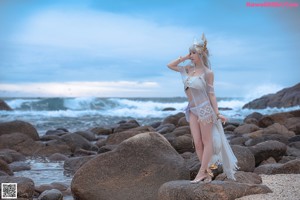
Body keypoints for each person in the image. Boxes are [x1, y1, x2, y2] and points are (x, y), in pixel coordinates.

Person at [167, 33, 238, 183]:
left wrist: (217, 113)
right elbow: (170, 65)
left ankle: (202, 172)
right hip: (192, 110)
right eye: (190, 52)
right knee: (197, 143)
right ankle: (206, 172)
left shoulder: (208, 73)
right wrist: (185, 57)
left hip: (205, 109)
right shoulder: (187, 69)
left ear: (201, 54)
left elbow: (211, 94)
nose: (191, 55)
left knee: (207, 142)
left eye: (194, 53)